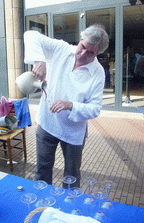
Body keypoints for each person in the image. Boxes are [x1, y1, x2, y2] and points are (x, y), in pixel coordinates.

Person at [24, 24, 109, 188]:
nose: (83, 54)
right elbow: (30, 35)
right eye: (82, 46)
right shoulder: (62, 49)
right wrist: (39, 60)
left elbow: (95, 108)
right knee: (42, 170)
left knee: (72, 175)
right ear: (80, 40)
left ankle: (68, 209)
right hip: (48, 122)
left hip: (73, 131)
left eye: (90, 52)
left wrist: (70, 105)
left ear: (98, 53)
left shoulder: (98, 72)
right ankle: (42, 207)